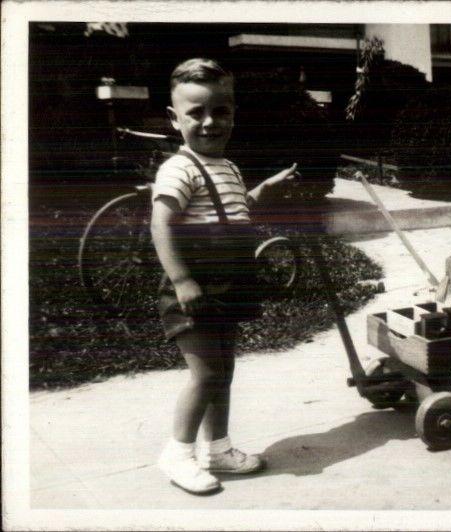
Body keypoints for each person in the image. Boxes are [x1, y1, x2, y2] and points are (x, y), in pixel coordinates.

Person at [151, 58, 299, 494]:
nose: (210, 122)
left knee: (224, 371)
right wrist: (181, 280)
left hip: (228, 284)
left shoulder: (228, 167)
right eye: (196, 112)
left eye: (222, 110)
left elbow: (231, 211)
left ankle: (217, 448)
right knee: (205, 375)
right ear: (174, 118)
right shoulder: (180, 168)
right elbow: (161, 223)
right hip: (194, 287)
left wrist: (262, 190)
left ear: (234, 112)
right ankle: (177, 453)